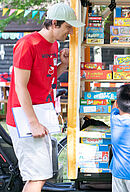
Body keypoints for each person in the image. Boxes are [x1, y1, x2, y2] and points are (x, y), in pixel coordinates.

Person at [6, 3, 84, 192]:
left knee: (39, 175)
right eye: (67, 27)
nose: (70, 32)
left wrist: (63, 65)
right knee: (38, 176)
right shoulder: (27, 44)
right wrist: (32, 123)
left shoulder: (54, 45)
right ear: (54, 23)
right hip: (24, 118)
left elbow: (45, 79)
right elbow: (20, 86)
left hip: (40, 115)